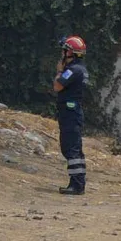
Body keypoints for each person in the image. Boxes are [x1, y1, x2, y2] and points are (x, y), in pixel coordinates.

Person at [52, 36, 88, 194]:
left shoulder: (73, 70)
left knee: (70, 148)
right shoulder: (80, 68)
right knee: (74, 148)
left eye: (64, 50)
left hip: (70, 113)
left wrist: (60, 70)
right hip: (72, 112)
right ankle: (78, 183)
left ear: (70, 52)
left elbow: (57, 86)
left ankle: (77, 185)